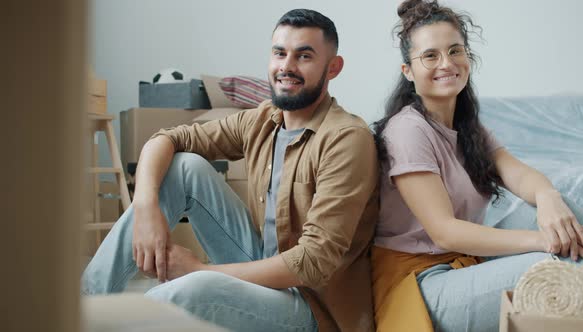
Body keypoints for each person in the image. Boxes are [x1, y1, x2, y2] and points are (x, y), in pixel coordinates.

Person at [82, 8, 379, 332]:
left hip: (311, 306)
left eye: (304, 56)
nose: (287, 67)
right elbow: (168, 138)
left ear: (333, 68)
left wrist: (198, 270)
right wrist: (145, 207)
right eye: (279, 53)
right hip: (260, 267)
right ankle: (83, 307)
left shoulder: (346, 138)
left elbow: (312, 263)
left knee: (193, 291)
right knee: (185, 165)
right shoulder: (264, 119)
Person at [371, 1, 583, 331]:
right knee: (554, 264)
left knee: (566, 214)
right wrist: (543, 240)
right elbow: (445, 232)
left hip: (462, 265)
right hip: (419, 283)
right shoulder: (407, 130)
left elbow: (518, 173)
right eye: (430, 56)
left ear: (468, 58)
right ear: (408, 72)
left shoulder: (465, 125)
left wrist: (549, 198)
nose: (446, 63)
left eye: (455, 51)